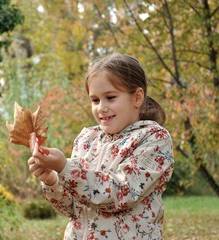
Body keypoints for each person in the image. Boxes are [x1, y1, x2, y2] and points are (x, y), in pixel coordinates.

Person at [28, 53, 174, 240]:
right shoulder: (86, 140)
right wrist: (52, 178)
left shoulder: (154, 138)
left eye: (110, 97)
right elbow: (71, 207)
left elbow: (120, 193)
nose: (101, 107)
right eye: (95, 100)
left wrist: (65, 167)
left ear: (137, 97)